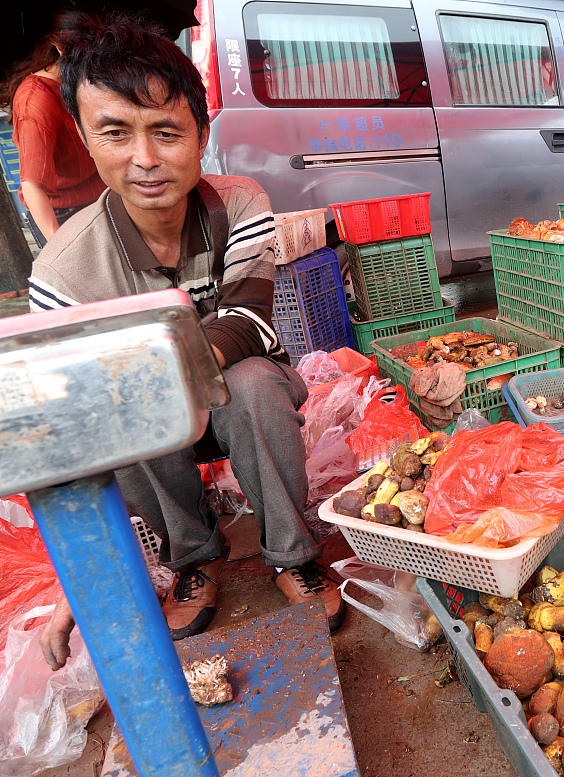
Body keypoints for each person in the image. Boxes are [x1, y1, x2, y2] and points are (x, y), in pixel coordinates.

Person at [31, 14, 344, 670]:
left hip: (234, 391)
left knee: (255, 382)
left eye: (166, 131)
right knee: (118, 409)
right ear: (87, 139)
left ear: (200, 136)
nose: (144, 159)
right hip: (153, 424)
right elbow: (74, 430)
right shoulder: (63, 271)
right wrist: (77, 583)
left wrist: (143, 367)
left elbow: (253, 323)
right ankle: (195, 556)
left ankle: (292, 553)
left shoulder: (239, 202)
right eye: (115, 132)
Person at [0, 10, 105, 248]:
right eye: (80, 57)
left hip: (102, 199)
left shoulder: (83, 81)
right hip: (64, 214)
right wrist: (59, 247)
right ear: (59, 48)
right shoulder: (36, 101)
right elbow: (32, 185)